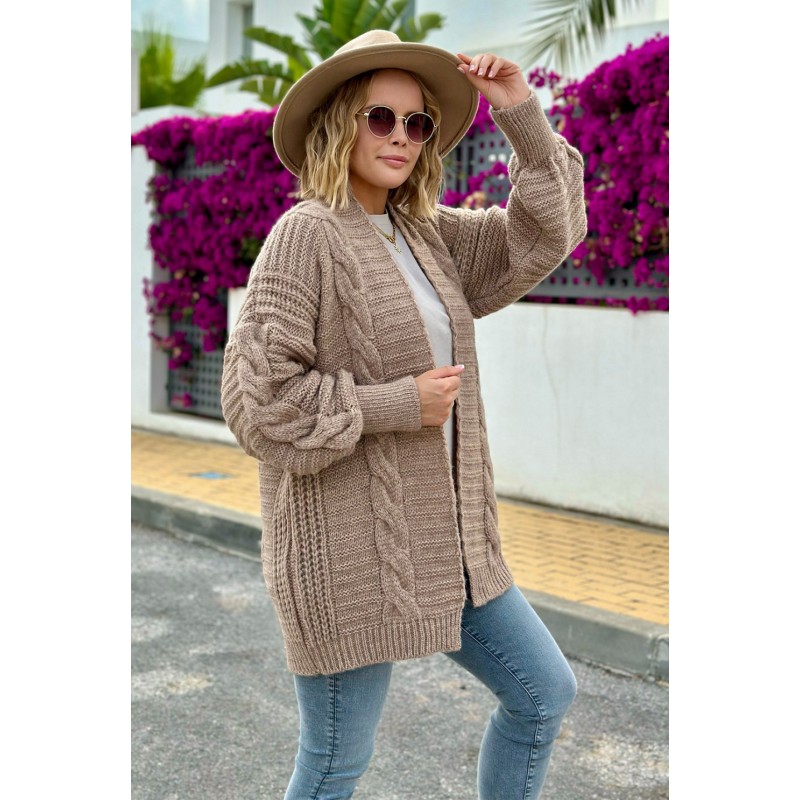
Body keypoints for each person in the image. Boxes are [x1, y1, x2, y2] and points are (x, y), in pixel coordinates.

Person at [221, 28, 587, 800]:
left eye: (417, 123)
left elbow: (545, 235)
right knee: (335, 761)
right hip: (346, 554)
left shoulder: (425, 234)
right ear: (340, 123)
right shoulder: (305, 236)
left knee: (542, 694)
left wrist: (519, 111)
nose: (401, 137)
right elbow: (259, 405)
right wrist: (399, 403)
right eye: (381, 118)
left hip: (452, 547)